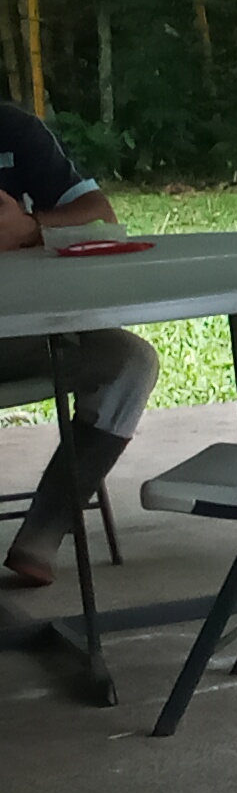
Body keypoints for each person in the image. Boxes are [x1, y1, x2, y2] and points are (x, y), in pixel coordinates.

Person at [0, 98, 152, 589]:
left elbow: (99, 215)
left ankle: (42, 535)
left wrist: (31, 228)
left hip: (22, 333)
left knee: (129, 361)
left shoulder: (13, 130)